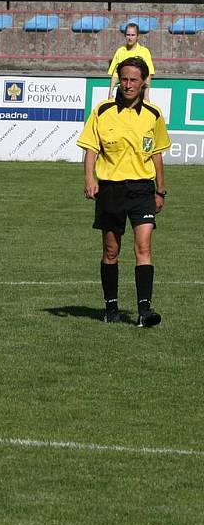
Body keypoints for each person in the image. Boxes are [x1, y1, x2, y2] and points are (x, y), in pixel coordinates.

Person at [77, 56, 169, 327]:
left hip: (142, 189)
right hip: (111, 189)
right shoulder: (103, 110)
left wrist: (161, 191)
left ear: (143, 83)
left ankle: (144, 311)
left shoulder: (153, 114)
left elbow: (158, 155)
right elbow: (91, 149)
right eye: (124, 79)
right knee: (111, 250)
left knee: (143, 247)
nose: (128, 85)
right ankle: (111, 307)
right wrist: (89, 179)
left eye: (134, 80)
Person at [108, 23, 154, 101]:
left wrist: (146, 95)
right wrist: (110, 93)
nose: (130, 38)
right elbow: (115, 74)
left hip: (138, 93)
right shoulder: (120, 51)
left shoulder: (144, 52)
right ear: (125, 36)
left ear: (138, 36)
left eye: (133, 35)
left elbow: (148, 75)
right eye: (128, 35)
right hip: (122, 92)